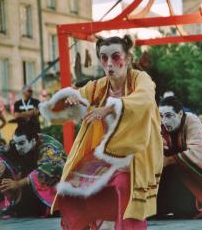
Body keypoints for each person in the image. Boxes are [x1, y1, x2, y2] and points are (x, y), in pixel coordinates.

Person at [39, 35, 163, 230]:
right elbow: (67, 103)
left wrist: (111, 108)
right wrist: (69, 100)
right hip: (105, 156)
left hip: (136, 155)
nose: (109, 63)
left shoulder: (141, 79)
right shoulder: (98, 87)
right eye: (104, 58)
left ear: (128, 58)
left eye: (115, 57)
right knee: (70, 192)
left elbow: (145, 99)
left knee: (124, 188)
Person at [0, 120, 66, 218]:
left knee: (38, 208)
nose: (18, 147)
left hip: (54, 182)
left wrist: (17, 184)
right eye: (15, 143)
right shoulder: (19, 141)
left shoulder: (50, 148)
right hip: (29, 176)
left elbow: (43, 172)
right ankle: (12, 202)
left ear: (33, 141)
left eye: (21, 144)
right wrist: (3, 162)